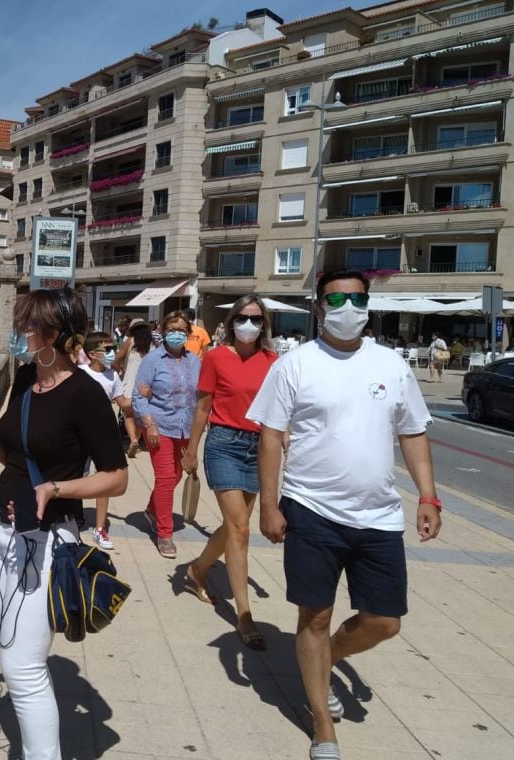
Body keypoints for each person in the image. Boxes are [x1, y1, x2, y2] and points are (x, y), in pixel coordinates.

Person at [249, 269, 441, 760]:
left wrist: (428, 495)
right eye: (336, 299)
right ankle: (321, 725)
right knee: (314, 615)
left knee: (385, 621)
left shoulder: (392, 364)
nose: (348, 308)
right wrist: (269, 504)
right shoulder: (296, 363)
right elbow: (271, 434)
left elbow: (413, 433)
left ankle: (326, 657)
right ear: (319, 307)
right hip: (310, 507)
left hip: (378, 516)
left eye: (357, 299)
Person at [0, 287, 127, 760]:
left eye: (29, 326)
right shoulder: (27, 378)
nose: (20, 333)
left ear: (56, 333)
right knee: (12, 651)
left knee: (23, 668)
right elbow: (10, 454)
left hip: (45, 540)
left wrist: (58, 489)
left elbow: (118, 478)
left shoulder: (86, 393)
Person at [182, 295, 278, 650]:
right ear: (232, 321)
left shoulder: (273, 361)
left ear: (264, 324)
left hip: (259, 448)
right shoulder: (217, 357)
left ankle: (198, 570)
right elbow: (203, 407)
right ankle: (244, 614)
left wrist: (287, 445)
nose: (249, 324)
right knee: (240, 528)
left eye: (256, 319)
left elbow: (279, 411)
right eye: (243, 317)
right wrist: (191, 451)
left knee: (233, 526)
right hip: (224, 443)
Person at [132, 311, 201, 558]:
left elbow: (200, 396)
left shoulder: (195, 361)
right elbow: (138, 395)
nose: (177, 334)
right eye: (172, 329)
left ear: (188, 334)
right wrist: (148, 423)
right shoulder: (153, 359)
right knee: (164, 478)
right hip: (159, 427)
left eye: (182, 330)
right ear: (162, 331)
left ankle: (152, 509)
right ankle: (164, 533)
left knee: (176, 476)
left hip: (185, 427)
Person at [80, 331, 128, 550]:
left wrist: (147, 400)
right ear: (92, 354)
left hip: (103, 435)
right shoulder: (78, 374)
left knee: (105, 480)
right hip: (78, 435)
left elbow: (123, 403)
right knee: (76, 476)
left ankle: (100, 528)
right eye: (107, 349)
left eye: (113, 348)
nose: (112, 353)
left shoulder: (113, 376)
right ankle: (72, 516)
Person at [113, 318, 150, 458]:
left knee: (129, 414)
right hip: (146, 384)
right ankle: (137, 439)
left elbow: (116, 359)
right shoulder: (153, 345)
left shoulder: (130, 341)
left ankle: (133, 440)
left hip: (129, 383)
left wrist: (120, 371)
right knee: (140, 414)